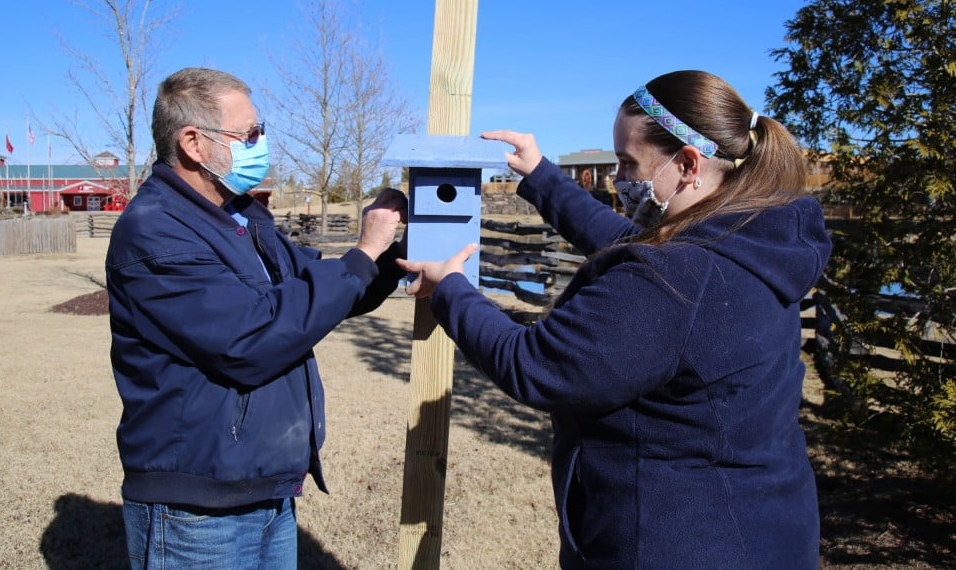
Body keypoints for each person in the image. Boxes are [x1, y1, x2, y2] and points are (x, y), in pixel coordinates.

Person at [398, 70, 830, 569]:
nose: (618, 179)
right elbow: (623, 240)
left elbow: (534, 365)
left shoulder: (677, 278)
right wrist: (540, 175)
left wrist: (451, 289)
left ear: (688, 163)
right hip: (769, 530)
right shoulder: (750, 242)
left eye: (628, 163)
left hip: (679, 544)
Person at [106, 67, 407, 569]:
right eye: (248, 133)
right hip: (198, 508)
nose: (260, 143)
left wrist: (392, 253)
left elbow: (321, 288)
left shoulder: (242, 218)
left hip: (264, 489)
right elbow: (250, 338)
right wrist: (364, 250)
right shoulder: (154, 231)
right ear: (194, 143)